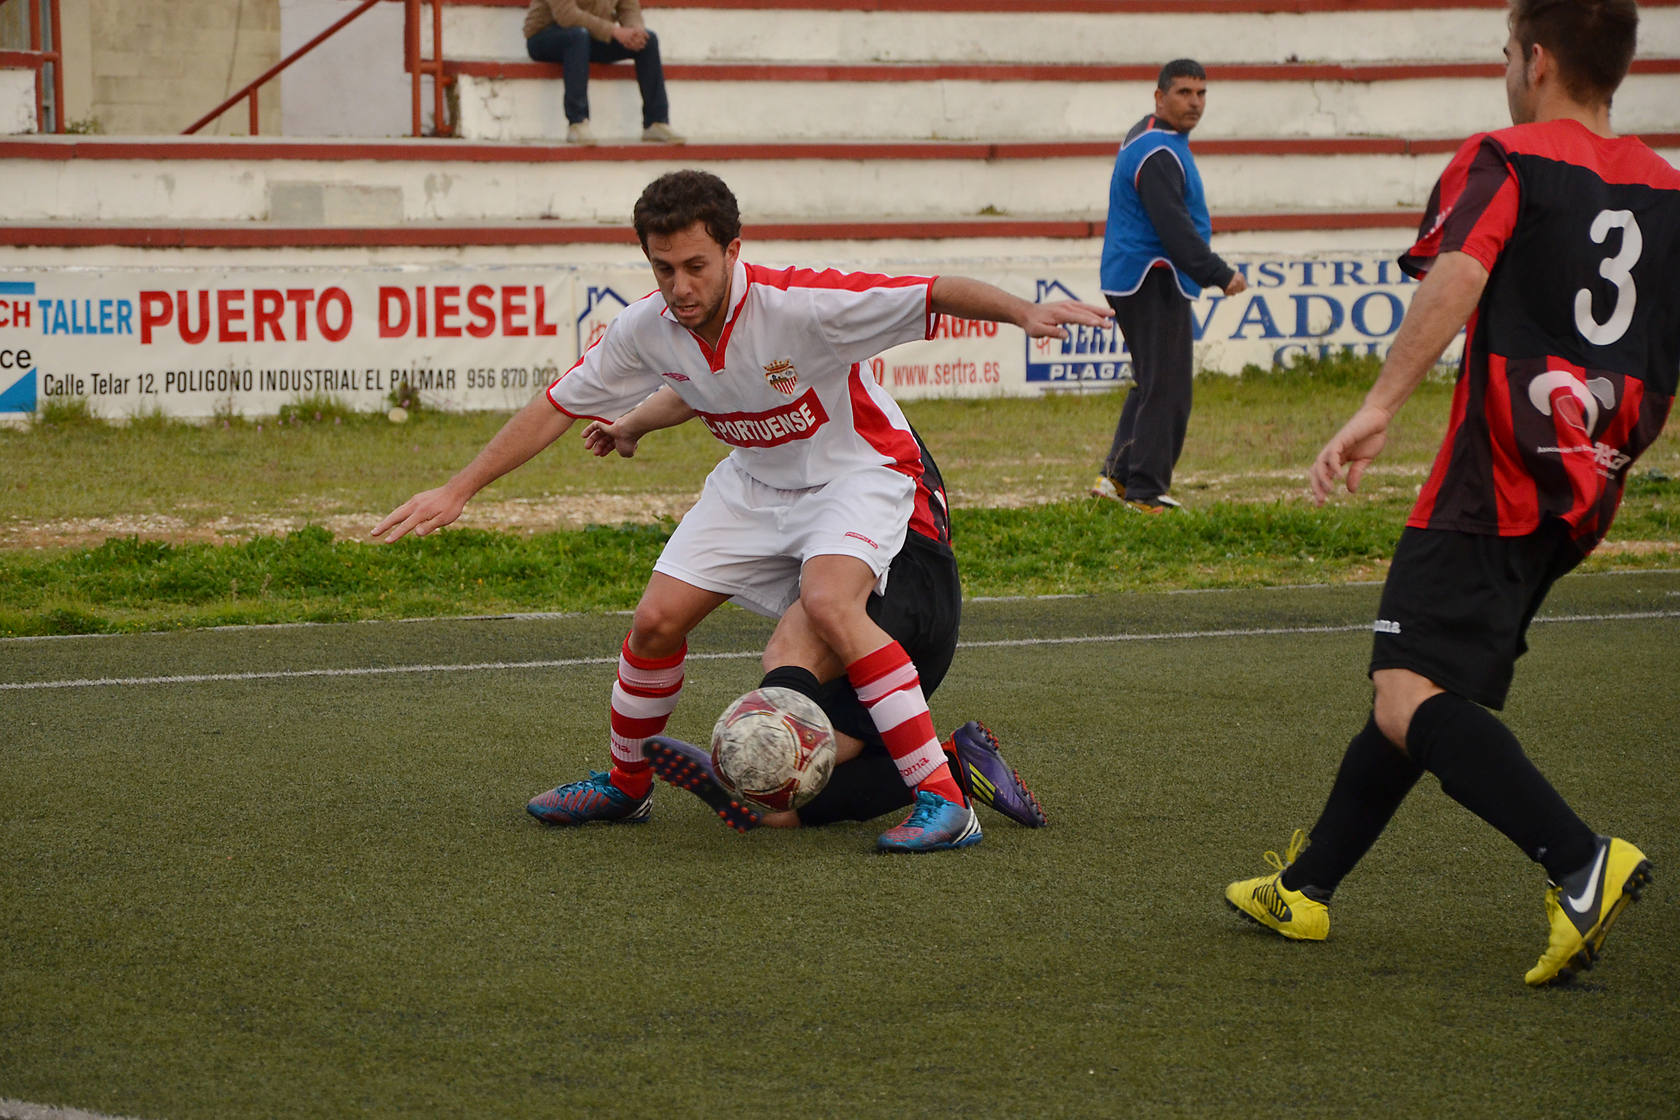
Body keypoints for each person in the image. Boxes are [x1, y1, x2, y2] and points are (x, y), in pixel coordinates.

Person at [373, 169, 1110, 852]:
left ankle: (946, 800)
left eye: (696, 266)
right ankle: (627, 788)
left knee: (828, 601)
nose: (680, 285)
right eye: (663, 268)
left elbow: (932, 290)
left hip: (856, 474)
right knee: (656, 622)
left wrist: (1022, 311)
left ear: (733, 250)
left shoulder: (800, 305)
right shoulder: (647, 327)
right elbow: (569, 403)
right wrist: (460, 488)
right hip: (753, 482)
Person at [1224, 0, 1677, 986]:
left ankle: (1580, 860)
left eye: (1508, 54)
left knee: (1407, 690)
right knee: (1427, 684)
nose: (1505, 70)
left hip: (1495, 475)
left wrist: (1379, 403)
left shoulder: (1505, 155)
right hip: (1587, 487)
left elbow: (1461, 269)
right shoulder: (1666, 186)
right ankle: (1304, 887)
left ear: (1539, 59)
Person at [580, 398, 1048, 833]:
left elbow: (926, 304)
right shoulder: (797, 418)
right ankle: (948, 764)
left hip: (910, 562)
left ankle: (939, 791)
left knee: (792, 649)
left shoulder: (862, 450)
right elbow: (696, 383)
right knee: (782, 812)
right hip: (902, 597)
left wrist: (1019, 314)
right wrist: (631, 425)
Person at [1092, 58, 1247, 513]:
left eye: (1201, 94)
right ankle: (1145, 493)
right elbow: (1174, 229)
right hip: (1152, 276)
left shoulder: (1150, 136)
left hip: (1135, 275)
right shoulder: (1159, 151)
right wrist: (1219, 273)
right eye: (1183, 93)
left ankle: (1117, 478)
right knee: (1170, 390)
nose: (1194, 103)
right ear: (1159, 97)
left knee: (1152, 383)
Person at [523, 0, 683, 145]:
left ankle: (656, 122)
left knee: (648, 41)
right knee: (578, 36)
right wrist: (615, 31)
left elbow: (629, 8)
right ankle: (578, 122)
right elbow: (567, 16)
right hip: (545, 35)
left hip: (592, 36)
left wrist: (635, 31)